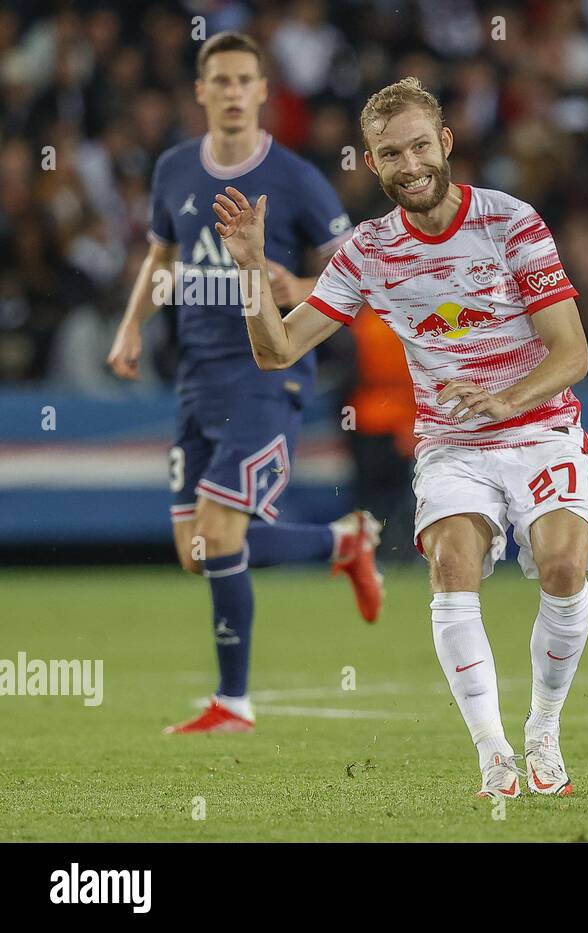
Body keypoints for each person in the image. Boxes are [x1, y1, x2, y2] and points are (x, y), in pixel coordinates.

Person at [213, 77, 588, 798]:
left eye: (421, 145)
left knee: (563, 570)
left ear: (445, 143)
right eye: (393, 153)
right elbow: (276, 351)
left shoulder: (511, 223)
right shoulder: (367, 251)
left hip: (541, 427)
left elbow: (571, 352)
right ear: (372, 163)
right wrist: (248, 273)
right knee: (452, 566)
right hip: (454, 445)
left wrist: (503, 397)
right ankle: (494, 756)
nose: (411, 164)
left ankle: (543, 730)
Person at [106, 32, 383, 735]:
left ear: (264, 92)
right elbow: (161, 256)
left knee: (222, 529)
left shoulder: (295, 179)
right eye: (219, 81)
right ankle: (342, 541)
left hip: (266, 376)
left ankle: (234, 702)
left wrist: (302, 283)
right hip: (197, 379)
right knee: (197, 551)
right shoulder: (173, 169)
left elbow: (363, 277)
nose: (232, 93)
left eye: (244, 81)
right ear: (200, 92)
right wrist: (131, 326)